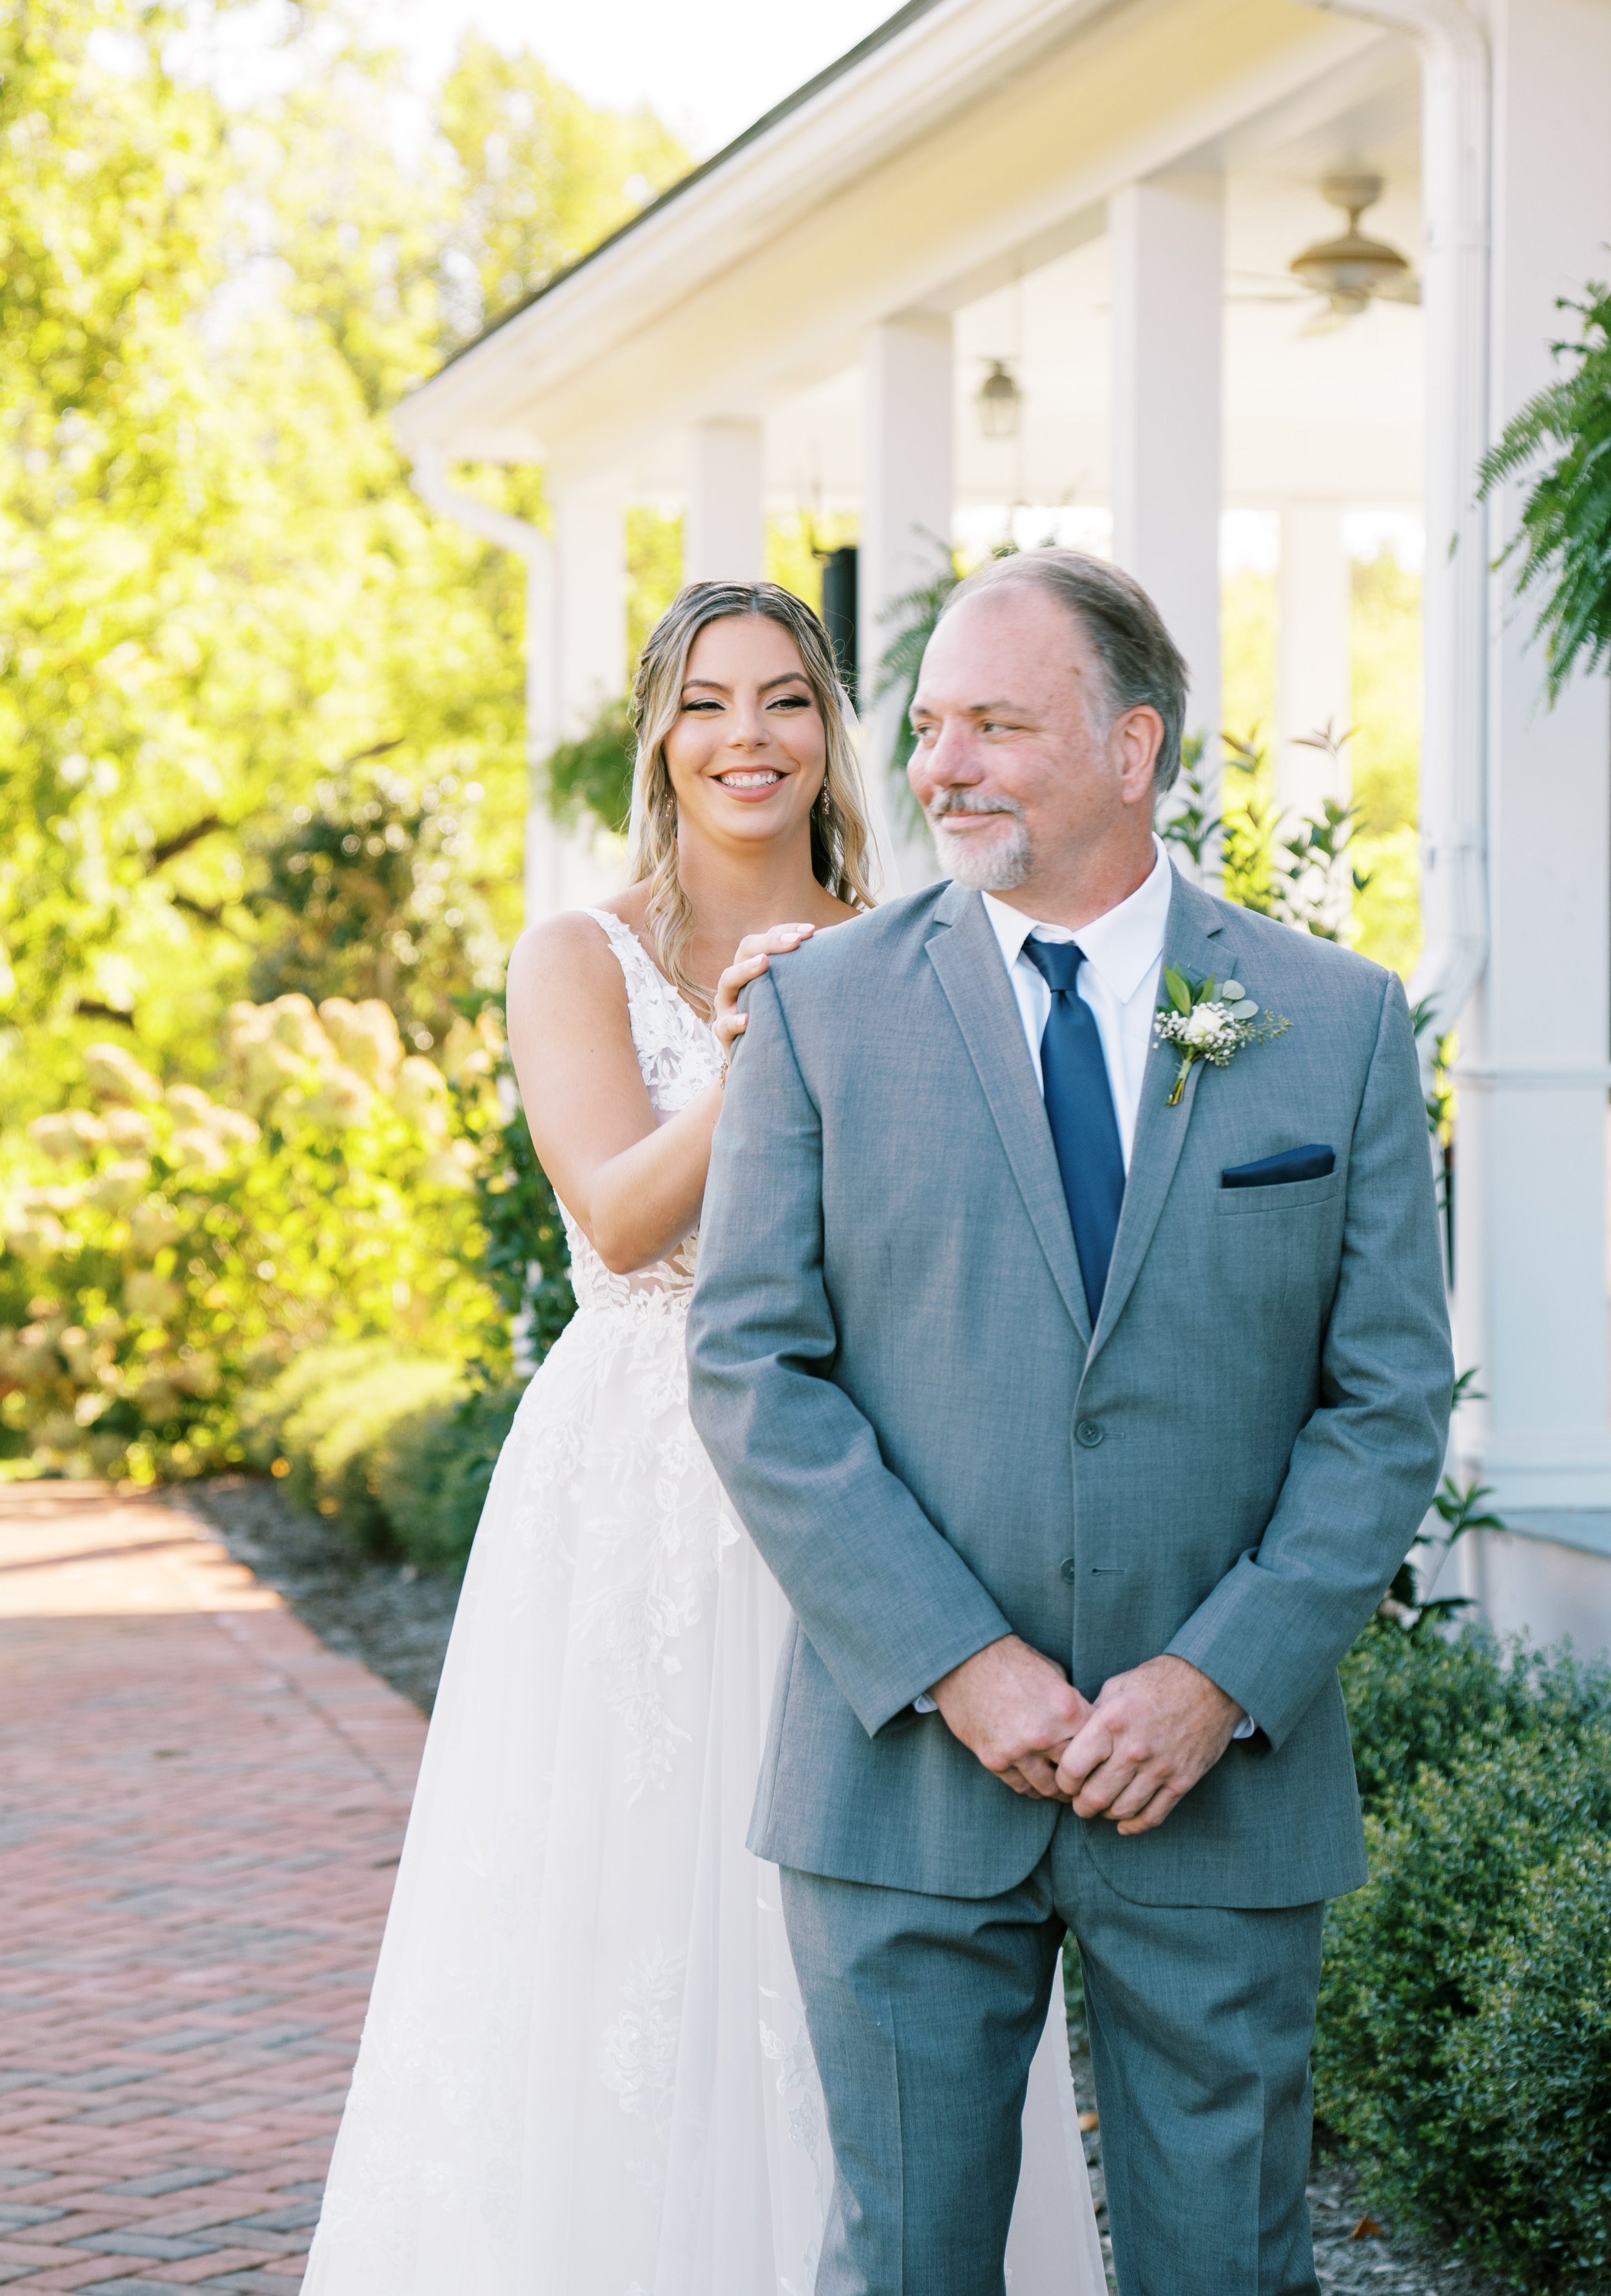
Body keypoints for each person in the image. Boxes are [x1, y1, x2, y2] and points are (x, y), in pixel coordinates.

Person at [302, 578, 1103, 2295]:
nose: (749, 736)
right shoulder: (573, 954)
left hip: (868, 1473)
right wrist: (754, 1057)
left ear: (831, 739)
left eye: (787, 701)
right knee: (619, 1904)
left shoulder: (933, 936)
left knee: (888, 1922)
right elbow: (612, 1217)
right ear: (662, 740)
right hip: (640, 1484)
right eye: (708, 703)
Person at [686, 548, 1455, 2296]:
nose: (941, 764)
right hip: (903, 1779)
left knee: (1226, 2264)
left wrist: (1215, 1676)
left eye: (996, 725)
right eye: (932, 724)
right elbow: (752, 1366)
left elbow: (1387, 1394)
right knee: (904, 2265)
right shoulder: (819, 1014)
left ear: (1130, 747)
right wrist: (957, 1657)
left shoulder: (1331, 1023)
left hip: (1216, 1777)